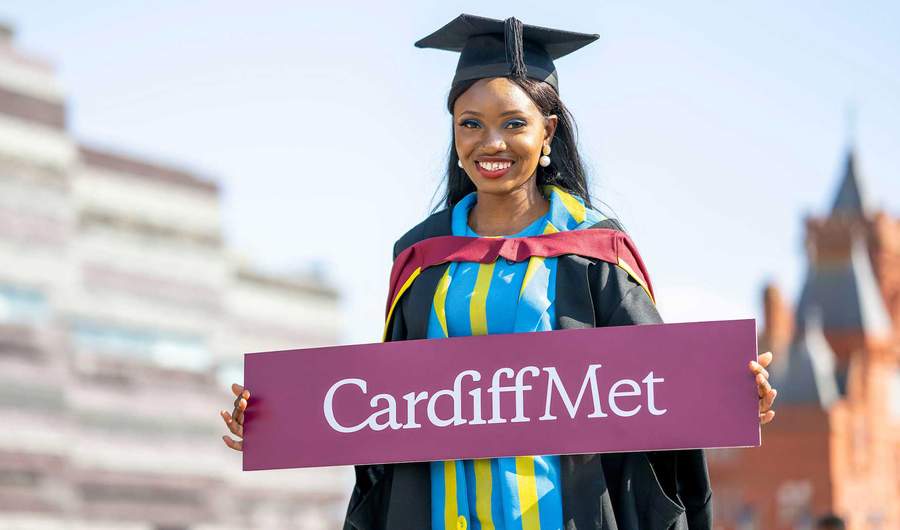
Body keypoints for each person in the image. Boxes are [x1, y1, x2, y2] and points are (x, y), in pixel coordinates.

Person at [220, 13, 778, 530]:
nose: (491, 143)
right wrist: (279, 419)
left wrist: (728, 393)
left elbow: (661, 391)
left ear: (547, 133)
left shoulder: (594, 254)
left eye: (514, 123)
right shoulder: (422, 258)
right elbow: (380, 410)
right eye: (471, 123)